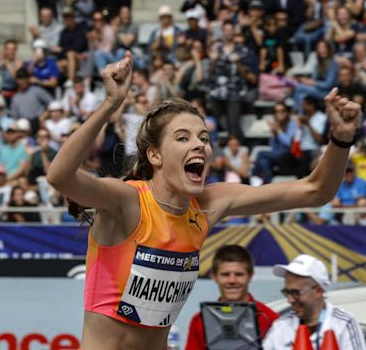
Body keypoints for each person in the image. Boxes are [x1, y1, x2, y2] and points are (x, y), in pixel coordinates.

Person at [46, 50, 361, 350]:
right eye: (182, 138)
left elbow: (316, 190)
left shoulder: (208, 206)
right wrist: (111, 103)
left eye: (204, 138)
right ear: (154, 155)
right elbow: (60, 177)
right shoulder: (129, 202)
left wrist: (341, 139)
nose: (199, 145)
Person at [263, 254, 366, 350]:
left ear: (318, 291)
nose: (290, 300)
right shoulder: (280, 326)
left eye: (296, 293)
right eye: (287, 292)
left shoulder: (343, 323)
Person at [185, 245, 279, 349]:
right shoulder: (199, 321)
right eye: (225, 274)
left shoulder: (271, 320)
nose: (232, 281)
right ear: (214, 276)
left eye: (239, 274)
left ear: (250, 276)